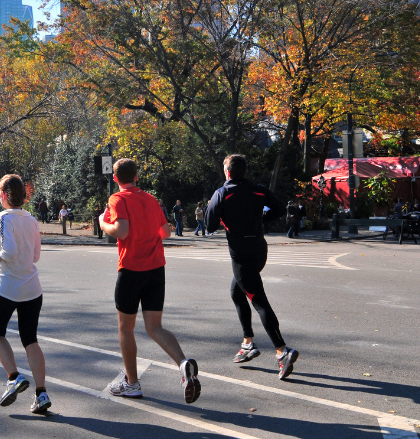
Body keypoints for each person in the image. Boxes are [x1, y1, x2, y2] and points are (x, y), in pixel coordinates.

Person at [97, 158, 201, 403]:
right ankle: (183, 364)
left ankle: (132, 383)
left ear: (115, 178)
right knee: (155, 328)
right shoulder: (150, 199)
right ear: (136, 176)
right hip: (156, 269)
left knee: (126, 328)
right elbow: (165, 232)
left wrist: (103, 222)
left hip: (131, 269)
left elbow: (121, 231)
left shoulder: (117, 199)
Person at [205, 154, 300, 380]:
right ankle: (248, 343)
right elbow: (278, 209)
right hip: (259, 251)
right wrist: (258, 219)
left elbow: (209, 225)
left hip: (241, 255)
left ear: (227, 172)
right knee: (236, 293)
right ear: (244, 171)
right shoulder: (259, 190)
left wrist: (227, 218)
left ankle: (281, 351)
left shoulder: (222, 193)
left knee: (258, 301)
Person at [0, 174, 51, 415]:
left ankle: (14, 377)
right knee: (30, 340)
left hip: (8, 287)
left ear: (4, 195)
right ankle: (41, 393)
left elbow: (10, 252)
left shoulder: (4, 219)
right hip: (32, 288)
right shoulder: (32, 220)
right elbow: (35, 256)